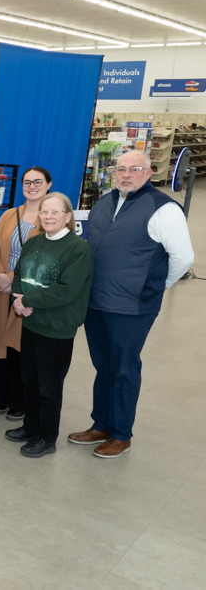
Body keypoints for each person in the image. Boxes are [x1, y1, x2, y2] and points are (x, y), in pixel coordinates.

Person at [68, 150, 194, 458]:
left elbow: (184, 258)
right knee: (103, 366)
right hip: (96, 302)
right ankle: (101, 424)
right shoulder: (103, 203)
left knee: (124, 368)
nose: (126, 174)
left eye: (134, 169)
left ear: (149, 173)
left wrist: (156, 286)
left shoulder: (162, 208)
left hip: (131, 307)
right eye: (121, 169)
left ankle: (121, 434)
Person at [6, 192, 94, 458]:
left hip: (56, 329)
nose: (49, 217)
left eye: (56, 212)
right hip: (32, 323)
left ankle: (47, 436)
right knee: (29, 380)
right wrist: (18, 300)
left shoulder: (78, 249)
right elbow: (19, 275)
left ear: (68, 217)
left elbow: (66, 291)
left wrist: (28, 299)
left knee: (49, 386)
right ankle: (30, 426)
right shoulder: (33, 243)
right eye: (45, 211)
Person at [0, 167, 51, 420]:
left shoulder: (51, 218)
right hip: (1, 289)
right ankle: (0, 395)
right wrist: (0, 274)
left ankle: (19, 399)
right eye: (27, 182)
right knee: (0, 345)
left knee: (20, 347)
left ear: (48, 184)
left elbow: (44, 258)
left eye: (37, 182)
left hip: (28, 291)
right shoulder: (9, 215)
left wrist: (12, 280)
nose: (31, 186)